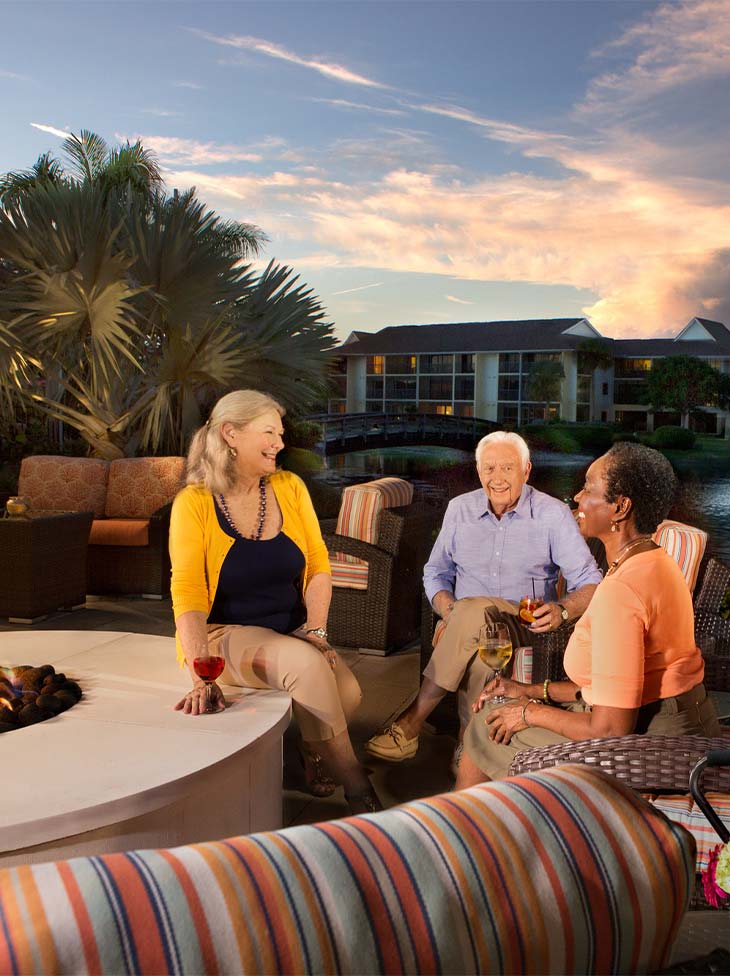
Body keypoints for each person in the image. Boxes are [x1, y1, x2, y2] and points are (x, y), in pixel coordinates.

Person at [455, 441, 721, 788]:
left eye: (589, 489)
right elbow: (608, 690)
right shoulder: (653, 562)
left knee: (486, 727)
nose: (577, 497)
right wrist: (531, 690)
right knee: (496, 715)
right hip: (676, 720)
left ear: (620, 507)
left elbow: (611, 728)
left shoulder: (622, 590)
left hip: (653, 743)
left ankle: (464, 834)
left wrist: (529, 711)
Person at [169, 389, 381, 815]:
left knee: (349, 694)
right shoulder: (193, 503)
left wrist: (316, 630)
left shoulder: (288, 487)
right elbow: (188, 594)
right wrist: (200, 673)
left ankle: (310, 750)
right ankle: (357, 786)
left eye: (280, 434)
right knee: (306, 668)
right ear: (231, 434)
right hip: (224, 634)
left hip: (290, 632)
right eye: (269, 433)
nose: (280, 444)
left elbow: (319, 565)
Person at [365, 430, 602, 762]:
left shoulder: (552, 514)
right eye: (489, 468)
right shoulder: (459, 510)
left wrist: (563, 610)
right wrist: (449, 610)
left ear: (527, 470)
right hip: (468, 627)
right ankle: (470, 750)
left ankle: (413, 721)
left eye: (507, 468)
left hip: (522, 625)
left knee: (474, 614)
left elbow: (592, 582)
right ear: (478, 472)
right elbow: (435, 572)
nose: (497, 478)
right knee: (478, 642)